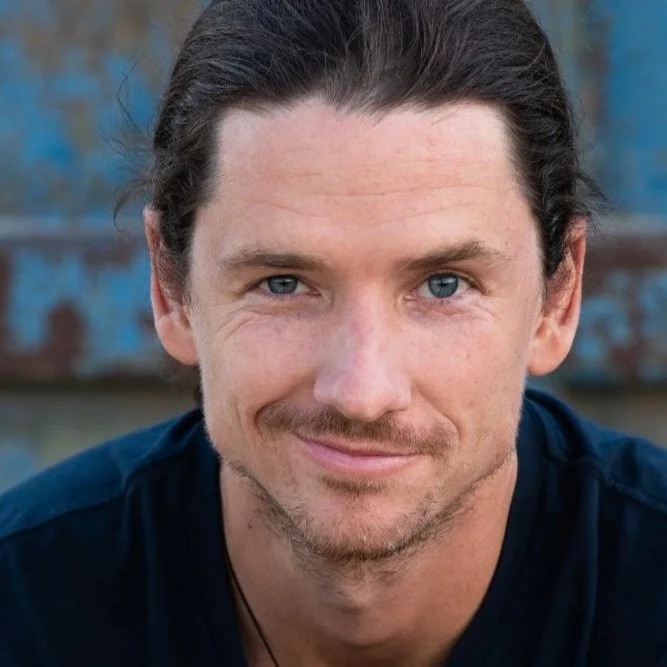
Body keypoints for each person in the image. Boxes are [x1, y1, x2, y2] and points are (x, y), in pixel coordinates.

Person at [2, 1, 667, 665]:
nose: (361, 393)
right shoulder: (25, 606)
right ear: (172, 289)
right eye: (283, 283)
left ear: (558, 297)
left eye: (444, 284)